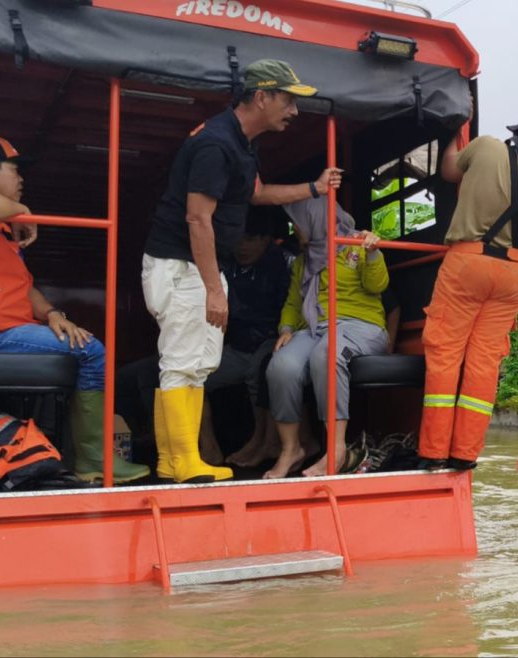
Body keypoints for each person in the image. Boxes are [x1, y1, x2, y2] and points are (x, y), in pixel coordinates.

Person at [141, 59, 339, 483]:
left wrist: (315, 188)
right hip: (182, 268)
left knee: (194, 364)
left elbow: (258, 193)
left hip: (193, 269)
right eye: (287, 100)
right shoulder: (216, 143)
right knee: (182, 364)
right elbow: (198, 219)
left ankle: (175, 461)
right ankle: (182, 464)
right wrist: (216, 290)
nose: (294, 111)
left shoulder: (241, 144)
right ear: (261, 96)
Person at [0, 135, 149, 483]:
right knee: (91, 352)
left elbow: (25, 286)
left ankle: (78, 454)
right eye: (15, 169)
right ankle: (94, 459)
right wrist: (24, 211)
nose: (22, 178)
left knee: (82, 343)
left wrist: (52, 314)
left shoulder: (3, 227)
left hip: (7, 333)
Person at [418, 105, 518, 471]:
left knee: (446, 353)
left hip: (467, 263)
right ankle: (464, 455)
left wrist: (449, 133)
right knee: (484, 362)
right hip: (513, 276)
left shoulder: (485, 146)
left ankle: (434, 452)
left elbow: (447, 171)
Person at [264, 197, 389, 479]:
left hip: (361, 326)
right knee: (282, 365)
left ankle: (336, 451)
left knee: (327, 351)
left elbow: (377, 284)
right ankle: (291, 449)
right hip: (314, 326)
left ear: (316, 221)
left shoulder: (357, 244)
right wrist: (285, 330)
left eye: (298, 224)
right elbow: (294, 303)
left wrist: (372, 253)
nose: (295, 231)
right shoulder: (302, 262)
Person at [200, 209, 291, 468]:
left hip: (271, 340)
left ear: (266, 239)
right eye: (237, 239)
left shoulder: (283, 264)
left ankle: (263, 442)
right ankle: (209, 449)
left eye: (250, 239)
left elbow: (287, 311)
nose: (242, 246)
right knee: (194, 377)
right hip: (234, 346)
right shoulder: (224, 264)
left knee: (261, 370)